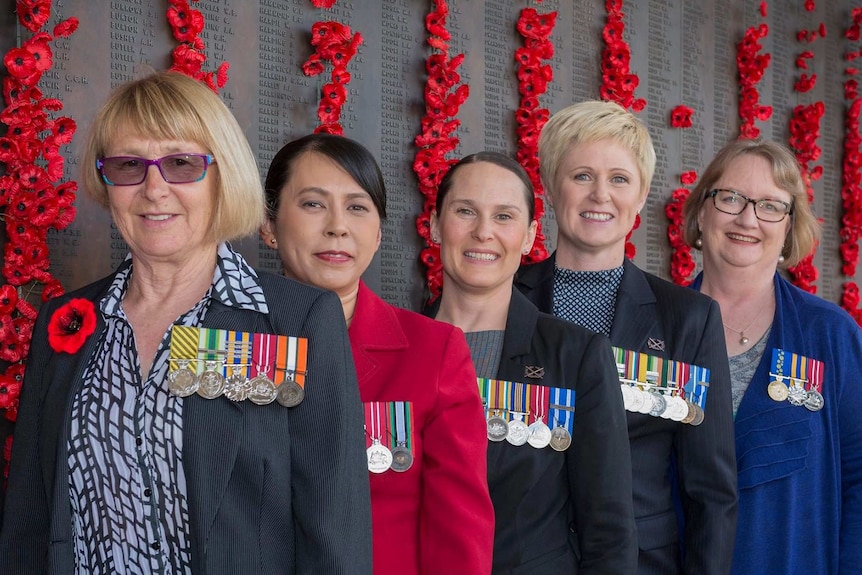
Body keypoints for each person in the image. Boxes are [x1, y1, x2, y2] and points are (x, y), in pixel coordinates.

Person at [0, 72, 372, 574]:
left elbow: (334, 533)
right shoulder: (65, 324)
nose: (154, 189)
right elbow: (28, 518)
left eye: (181, 164)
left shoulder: (297, 321)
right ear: (106, 183)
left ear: (223, 176)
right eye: (129, 166)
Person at [516, 100, 737, 575]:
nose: (601, 195)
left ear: (640, 198)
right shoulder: (503, 299)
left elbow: (712, 493)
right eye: (581, 176)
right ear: (551, 190)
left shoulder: (688, 320)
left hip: (644, 562)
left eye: (619, 179)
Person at [261, 133, 494, 575]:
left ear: (378, 232)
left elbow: (459, 531)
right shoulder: (227, 344)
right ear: (269, 225)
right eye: (313, 204)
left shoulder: (433, 352)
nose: (337, 226)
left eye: (357, 207)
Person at [428, 151, 637, 574]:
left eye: (504, 217)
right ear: (435, 225)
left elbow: (608, 530)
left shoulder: (576, 356)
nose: (483, 232)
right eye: (465, 211)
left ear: (529, 236)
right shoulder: (398, 346)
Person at [682, 138, 862, 575]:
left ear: (788, 228)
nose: (747, 218)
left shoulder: (830, 335)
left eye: (770, 206)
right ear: (702, 213)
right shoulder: (654, 332)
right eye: (730, 198)